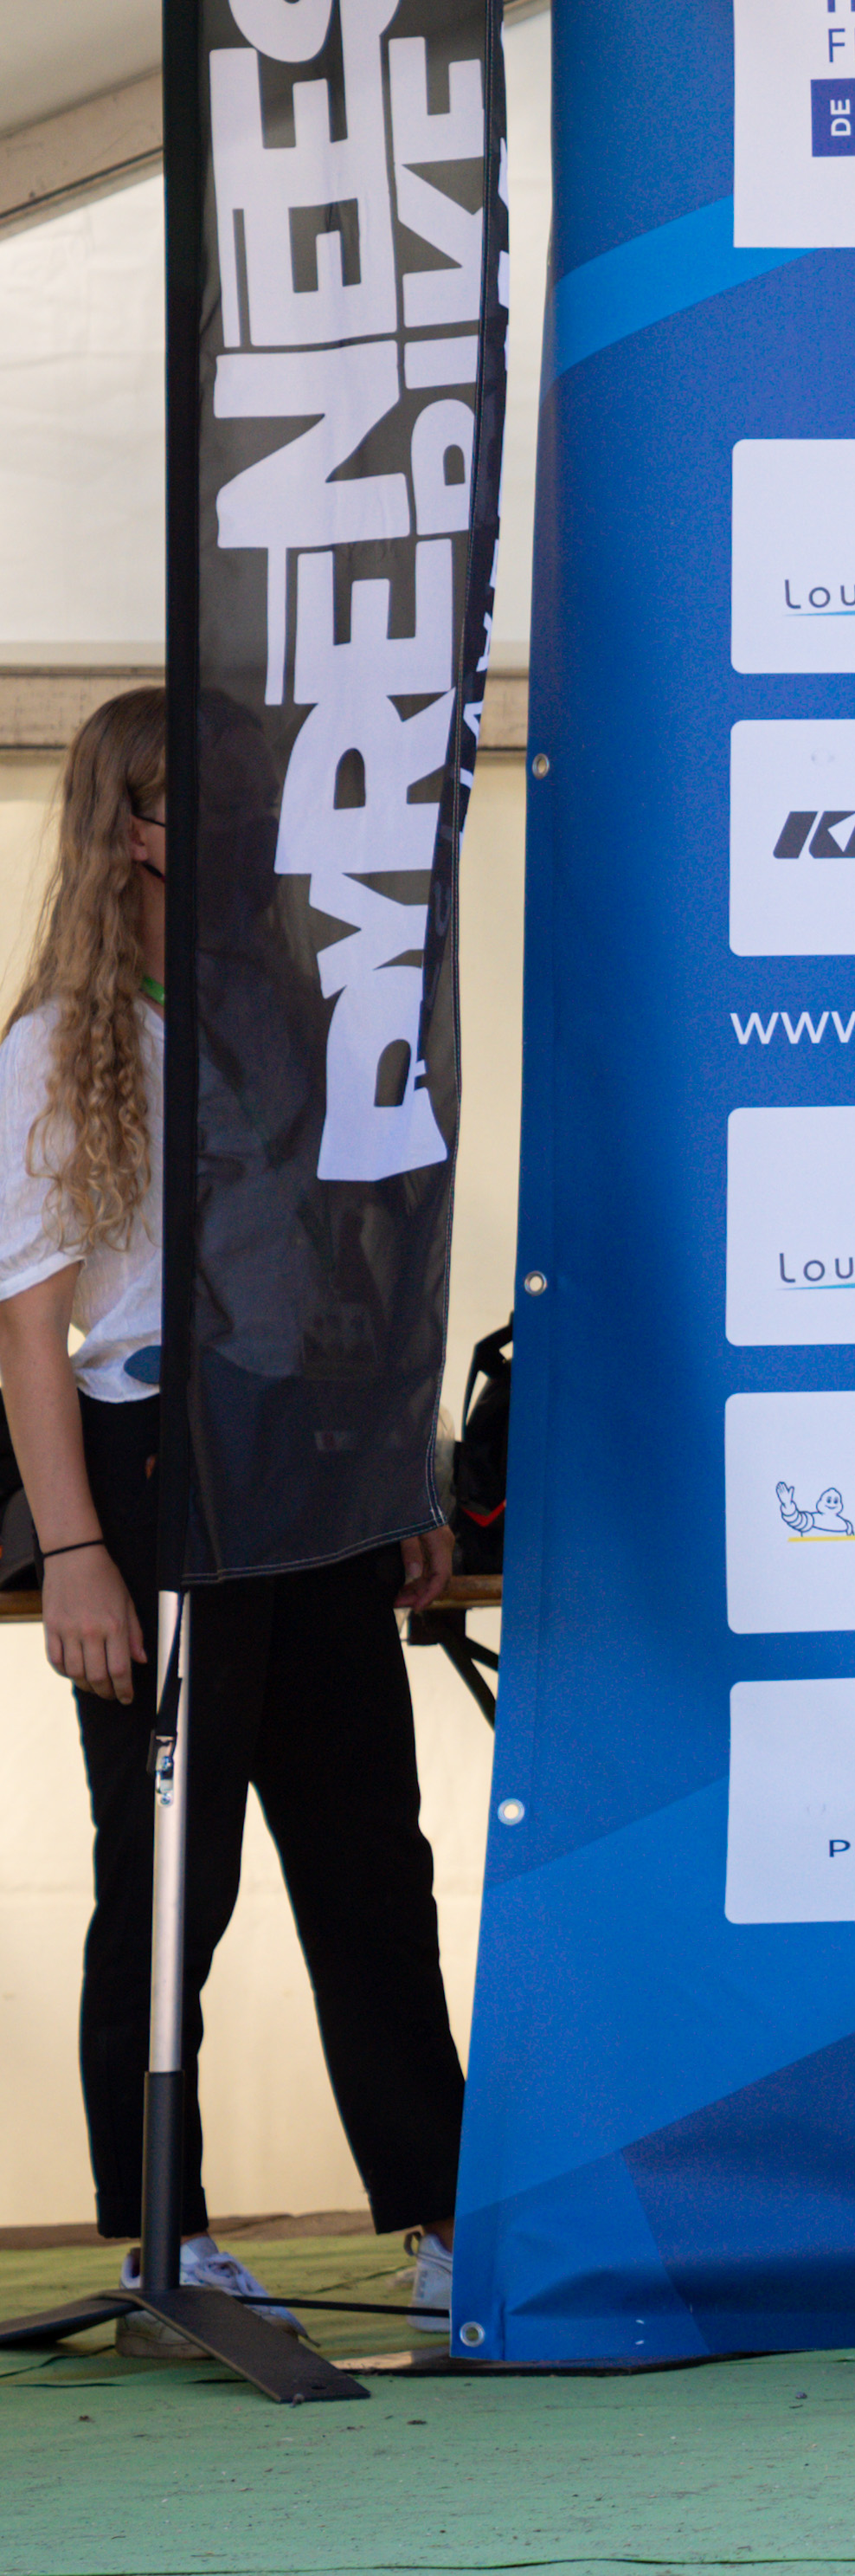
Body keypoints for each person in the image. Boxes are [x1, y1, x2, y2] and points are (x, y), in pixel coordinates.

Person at [12, 689, 469, 2321]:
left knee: (369, 1863)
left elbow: (364, 1270)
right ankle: (164, 2231)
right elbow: (32, 1336)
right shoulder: (60, 1046)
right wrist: (75, 1553)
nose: (230, 824)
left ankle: (438, 2217)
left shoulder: (298, 1004)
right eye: (192, 799)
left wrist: (400, 1464)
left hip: (320, 1465)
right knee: (169, 1881)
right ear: (125, 825)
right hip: (157, 1473)